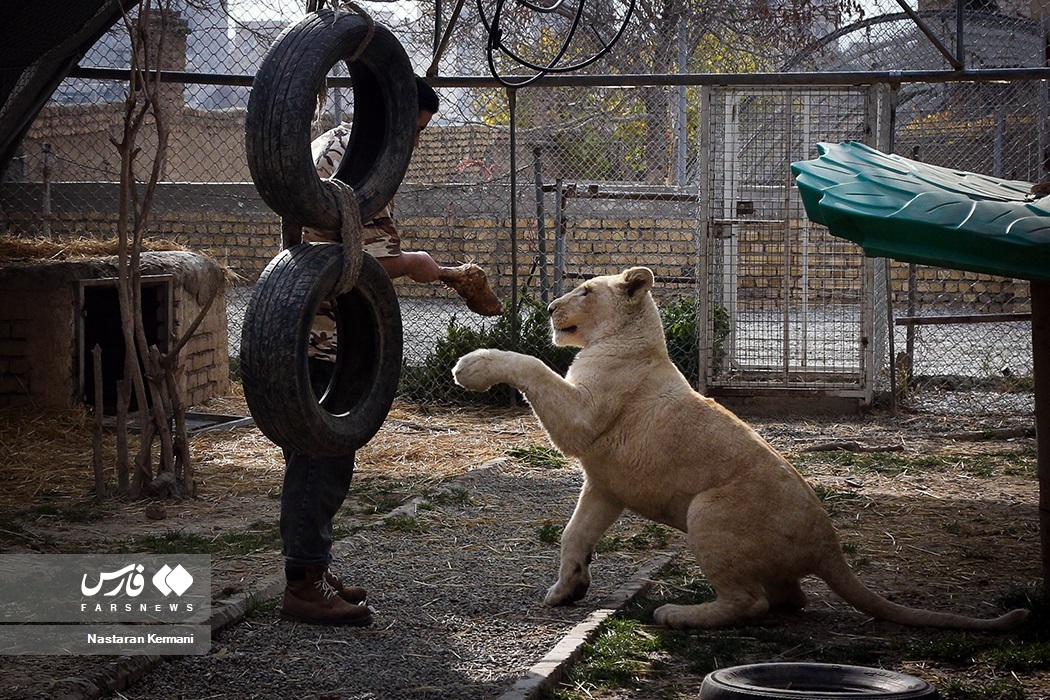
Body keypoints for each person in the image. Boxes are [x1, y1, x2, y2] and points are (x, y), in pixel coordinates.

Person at [279, 77, 500, 626]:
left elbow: (360, 242)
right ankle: (302, 586)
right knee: (319, 458)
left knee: (328, 457)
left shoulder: (358, 153)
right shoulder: (343, 156)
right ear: (392, 113)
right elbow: (329, 253)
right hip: (322, 335)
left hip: (334, 331)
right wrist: (418, 263)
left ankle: (313, 566)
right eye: (415, 129)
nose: (418, 143)